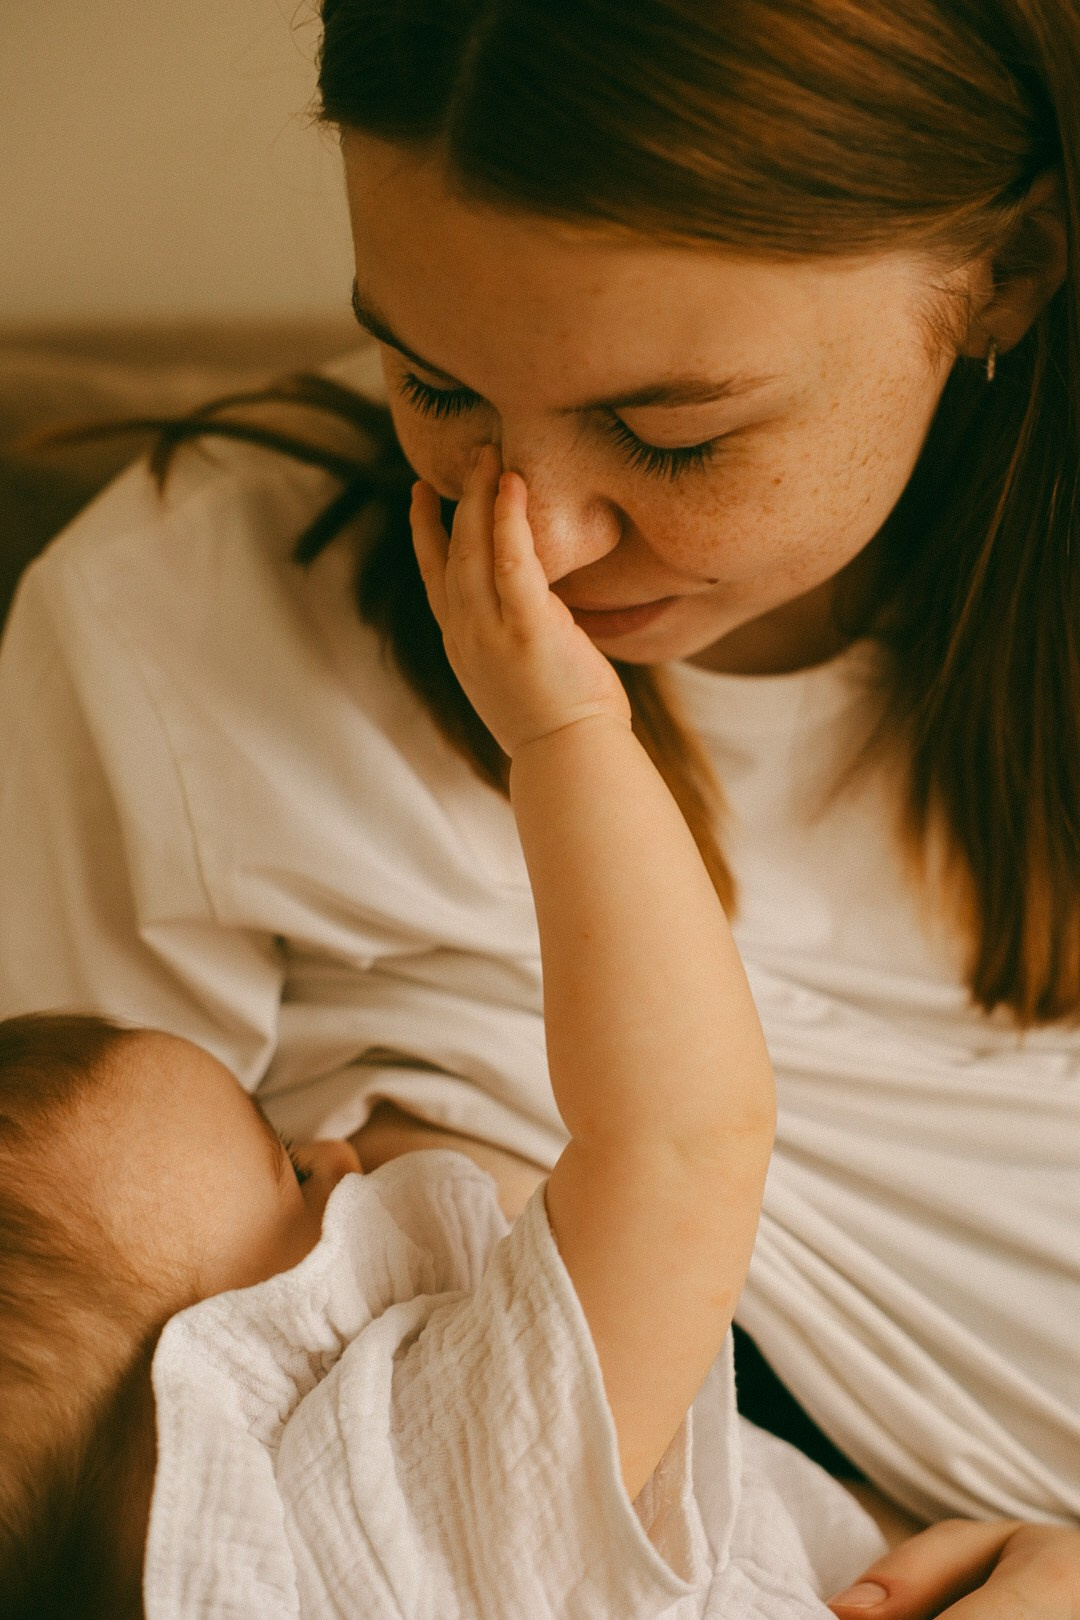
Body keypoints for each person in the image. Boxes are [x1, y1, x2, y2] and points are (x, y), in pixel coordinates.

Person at [0, 0, 1078, 1612]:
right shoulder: (181, 642)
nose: (543, 538)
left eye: (672, 434)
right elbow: (82, 1420)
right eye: (433, 386)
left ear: (1000, 276)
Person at [1, 452, 875, 1618]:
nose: (341, 1155)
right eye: (286, 1179)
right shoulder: (402, 1492)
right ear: (219, 1418)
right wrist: (565, 734)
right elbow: (683, 1137)